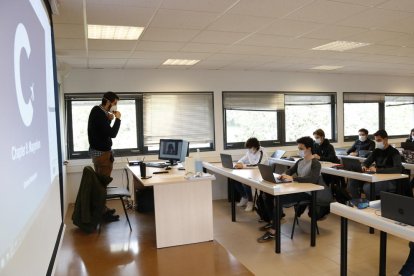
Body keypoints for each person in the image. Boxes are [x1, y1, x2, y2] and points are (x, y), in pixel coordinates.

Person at [257, 136, 322, 242]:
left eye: (301, 148)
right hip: (295, 189)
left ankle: (273, 231)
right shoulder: (300, 161)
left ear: (309, 148)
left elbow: (313, 179)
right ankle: (275, 221)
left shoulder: (315, 163)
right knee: (266, 195)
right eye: (299, 148)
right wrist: (283, 175)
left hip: (306, 193)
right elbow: (290, 171)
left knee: (279, 200)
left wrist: (293, 178)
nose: (299, 151)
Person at [88, 91, 122, 222]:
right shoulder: (99, 114)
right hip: (102, 155)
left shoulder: (97, 111)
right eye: (115, 103)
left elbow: (101, 130)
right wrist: (118, 119)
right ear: (108, 102)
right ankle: (102, 214)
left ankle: (103, 209)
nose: (115, 106)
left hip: (98, 153)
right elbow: (112, 134)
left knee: (101, 185)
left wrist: (108, 119)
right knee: (102, 185)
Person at [347, 129, 403, 199]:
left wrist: (377, 170)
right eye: (376, 140)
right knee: (352, 182)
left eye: (379, 140)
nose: (377, 142)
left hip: (389, 180)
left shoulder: (394, 152)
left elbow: (398, 169)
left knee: (367, 187)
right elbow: (366, 162)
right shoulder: (376, 151)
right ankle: (358, 203)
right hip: (377, 177)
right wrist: (364, 166)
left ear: (385, 139)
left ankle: (371, 206)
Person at [233, 137, 268, 212]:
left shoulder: (262, 152)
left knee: (246, 182)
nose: (249, 150)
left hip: (261, 173)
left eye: (250, 148)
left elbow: (257, 165)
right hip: (252, 171)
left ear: (255, 147)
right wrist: (239, 163)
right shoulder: (250, 151)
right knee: (235, 179)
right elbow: (243, 159)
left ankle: (250, 201)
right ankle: (244, 197)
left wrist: (243, 166)